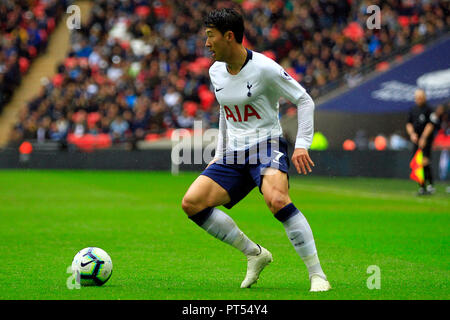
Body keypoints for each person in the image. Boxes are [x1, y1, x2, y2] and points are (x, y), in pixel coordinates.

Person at [181, 8, 331, 292]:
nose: (206, 44)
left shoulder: (265, 68)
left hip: (266, 144)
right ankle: (255, 254)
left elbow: (304, 100)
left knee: (276, 199)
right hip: (234, 152)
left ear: (229, 36)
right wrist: (220, 150)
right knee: (192, 203)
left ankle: (317, 275)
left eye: (210, 37)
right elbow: (226, 111)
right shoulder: (215, 71)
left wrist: (301, 145)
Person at [406, 89, 437, 195]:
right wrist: (412, 134)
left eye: (420, 97)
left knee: (425, 161)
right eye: (417, 97)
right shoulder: (413, 109)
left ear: (424, 98)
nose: (418, 99)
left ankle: (430, 185)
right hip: (416, 139)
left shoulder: (429, 109)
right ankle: (422, 187)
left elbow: (431, 124)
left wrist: (424, 137)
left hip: (426, 139)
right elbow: (409, 124)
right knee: (418, 164)